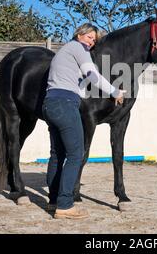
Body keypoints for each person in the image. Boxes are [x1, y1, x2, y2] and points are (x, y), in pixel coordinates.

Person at [42, 23, 126, 219]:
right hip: (64, 104)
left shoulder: (64, 52)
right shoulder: (77, 48)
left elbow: (81, 86)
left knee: (57, 154)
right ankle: (65, 205)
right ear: (79, 34)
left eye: (94, 40)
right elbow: (93, 75)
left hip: (50, 103)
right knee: (76, 153)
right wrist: (115, 91)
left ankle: (53, 201)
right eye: (90, 37)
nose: (91, 42)